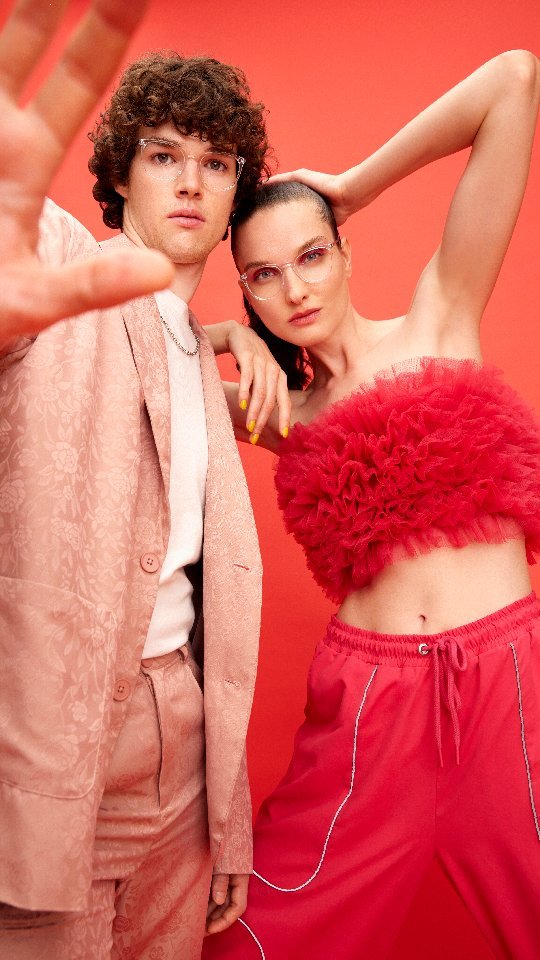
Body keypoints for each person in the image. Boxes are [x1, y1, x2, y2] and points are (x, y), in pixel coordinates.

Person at [203, 51, 540, 959]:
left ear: (345, 251)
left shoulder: (442, 315)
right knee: (251, 941)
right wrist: (222, 336)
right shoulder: (278, 412)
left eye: (312, 255)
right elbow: (123, 366)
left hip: (510, 691)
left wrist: (354, 184)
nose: (294, 289)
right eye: (263, 277)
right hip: (369, 717)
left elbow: (514, 80)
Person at [0, 1, 289, 957]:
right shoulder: (57, 280)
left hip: (186, 756)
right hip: (55, 748)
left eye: (218, 164)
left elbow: (207, 606)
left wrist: (225, 815)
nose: (193, 183)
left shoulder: (203, 357)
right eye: (165, 156)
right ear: (120, 173)